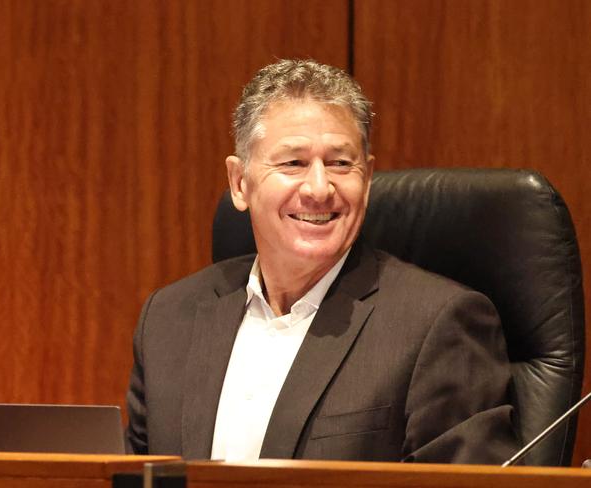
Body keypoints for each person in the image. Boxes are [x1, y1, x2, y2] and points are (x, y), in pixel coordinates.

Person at [125, 59, 519, 463]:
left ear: (366, 180)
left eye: (340, 163)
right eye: (293, 163)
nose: (319, 188)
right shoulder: (169, 320)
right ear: (239, 183)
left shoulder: (439, 325)